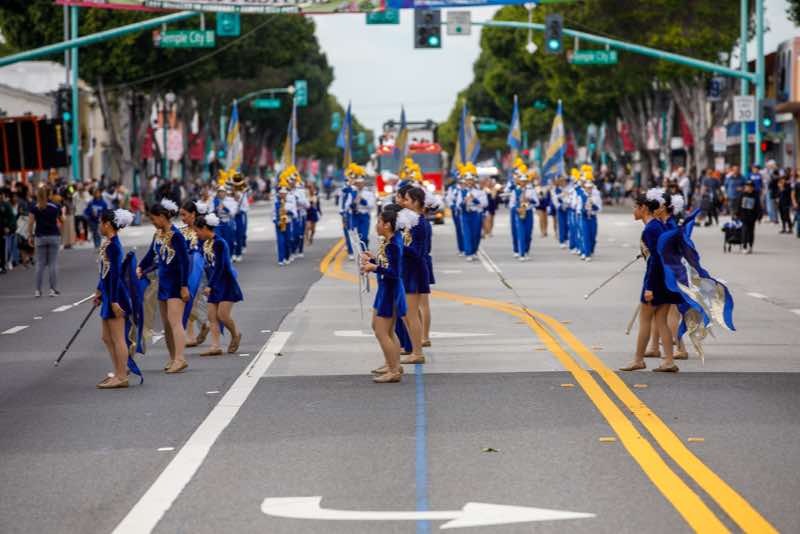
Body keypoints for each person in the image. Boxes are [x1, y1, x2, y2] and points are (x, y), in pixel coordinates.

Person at [620, 189, 681, 373]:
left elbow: (656, 259)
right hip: (666, 280)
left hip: (656, 280)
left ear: (644, 208)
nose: (633, 211)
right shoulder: (659, 225)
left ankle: (638, 360)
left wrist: (649, 287)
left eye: (635, 207)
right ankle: (668, 361)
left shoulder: (650, 229)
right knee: (661, 320)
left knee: (645, 320)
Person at [137, 199, 190, 374]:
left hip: (176, 284)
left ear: (161, 216)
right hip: (163, 283)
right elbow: (150, 255)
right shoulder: (158, 235)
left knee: (175, 322)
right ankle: (173, 357)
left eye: (153, 219)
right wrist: (140, 267)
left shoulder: (177, 236)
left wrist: (184, 286)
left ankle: (180, 359)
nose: (152, 223)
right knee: (167, 325)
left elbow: (184, 262)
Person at [360, 207, 406, 383]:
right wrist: (373, 260)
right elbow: (387, 264)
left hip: (390, 290)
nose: (376, 225)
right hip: (386, 289)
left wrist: (374, 267)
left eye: (379, 222)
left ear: (387, 225)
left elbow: (395, 272)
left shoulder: (393, 244)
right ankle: (393, 365)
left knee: (382, 332)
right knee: (385, 330)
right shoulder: (391, 240)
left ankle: (394, 371)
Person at [94, 209, 135, 389]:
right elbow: (105, 272)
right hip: (109, 294)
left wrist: (114, 300)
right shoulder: (109, 244)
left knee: (118, 338)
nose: (99, 226)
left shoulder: (114, 246)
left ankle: (121, 376)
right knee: (106, 337)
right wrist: (98, 290)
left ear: (107, 224)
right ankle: (119, 370)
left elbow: (116, 275)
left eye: (100, 222)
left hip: (115, 296)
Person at [195, 214, 243, 356]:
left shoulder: (220, 243)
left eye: (197, 230)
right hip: (213, 284)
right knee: (212, 316)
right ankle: (215, 346)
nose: (196, 234)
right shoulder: (205, 243)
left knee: (223, 315)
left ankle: (235, 334)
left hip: (225, 283)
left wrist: (210, 285)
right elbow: (206, 266)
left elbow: (220, 267)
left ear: (204, 228)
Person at [395, 187, 430, 365]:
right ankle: (415, 349)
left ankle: (417, 352)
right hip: (408, 269)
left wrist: (398, 245)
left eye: (407, 200)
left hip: (414, 271)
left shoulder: (420, 223)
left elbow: (417, 252)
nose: (404, 203)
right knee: (406, 314)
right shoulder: (412, 221)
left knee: (411, 314)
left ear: (416, 202)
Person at [179, 200, 210, 349]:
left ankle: (191, 334)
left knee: (192, 301)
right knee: (193, 301)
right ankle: (203, 323)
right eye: (180, 215)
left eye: (184, 215)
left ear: (193, 214)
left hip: (200, 270)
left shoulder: (202, 230)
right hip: (186, 269)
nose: (182, 218)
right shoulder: (181, 232)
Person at [28, 186, 62, 297]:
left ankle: (38, 290)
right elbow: (61, 220)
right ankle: (53, 289)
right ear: (49, 195)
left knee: (40, 264)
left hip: (40, 236)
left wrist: (30, 236)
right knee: (53, 263)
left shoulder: (34, 208)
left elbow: (30, 223)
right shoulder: (55, 206)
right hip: (53, 235)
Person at [736, 180, 762, 253]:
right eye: (747, 186)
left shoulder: (755, 195)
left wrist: (759, 216)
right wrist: (737, 214)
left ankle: (750, 245)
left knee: (751, 232)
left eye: (750, 187)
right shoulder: (742, 194)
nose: (748, 188)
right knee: (744, 230)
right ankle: (744, 246)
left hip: (752, 216)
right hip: (744, 216)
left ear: (753, 188)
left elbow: (758, 206)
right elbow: (739, 205)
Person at [306, 182, 321, 246]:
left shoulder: (316, 195)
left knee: (313, 229)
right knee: (307, 227)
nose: (310, 189)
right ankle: (307, 239)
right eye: (309, 187)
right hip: (307, 212)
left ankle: (311, 237)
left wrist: (319, 211)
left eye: (311, 187)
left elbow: (318, 204)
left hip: (314, 212)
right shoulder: (306, 195)